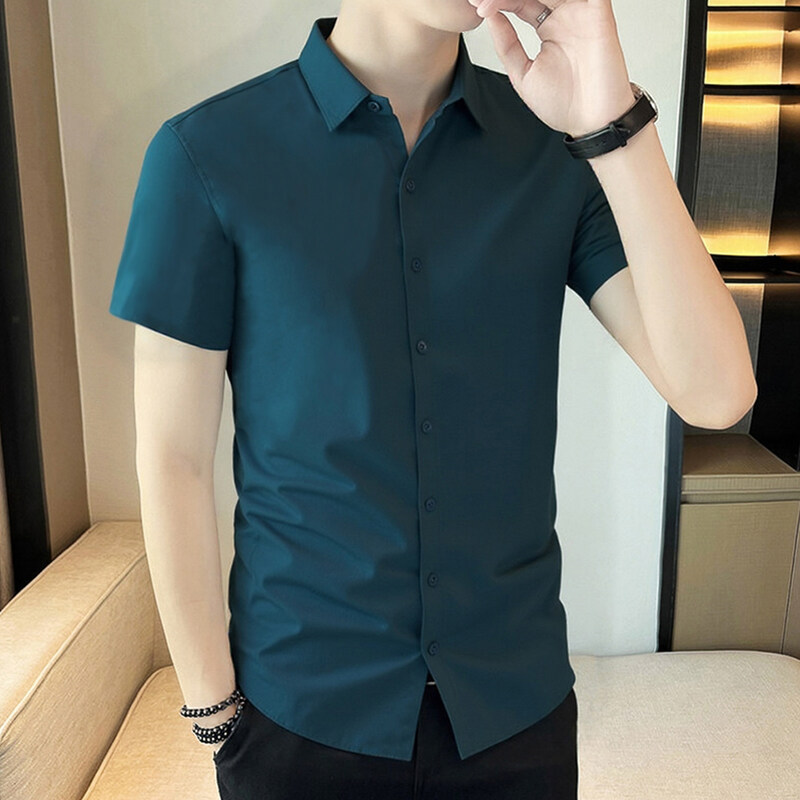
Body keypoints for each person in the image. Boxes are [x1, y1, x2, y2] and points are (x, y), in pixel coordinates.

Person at [108, 0, 757, 798]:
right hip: (299, 721)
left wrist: (612, 120)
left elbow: (718, 394)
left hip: (515, 717)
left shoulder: (555, 146)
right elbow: (172, 460)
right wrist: (214, 712)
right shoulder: (207, 155)